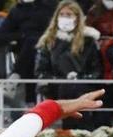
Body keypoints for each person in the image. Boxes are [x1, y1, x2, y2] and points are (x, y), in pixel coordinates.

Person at [36, 0, 102, 129]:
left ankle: (78, 132)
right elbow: (41, 71)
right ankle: (71, 131)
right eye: (62, 14)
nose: (65, 18)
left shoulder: (88, 41)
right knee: (67, 88)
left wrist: (80, 79)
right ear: (56, 18)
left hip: (83, 86)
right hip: (54, 87)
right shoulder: (48, 41)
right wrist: (60, 80)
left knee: (75, 88)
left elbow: (97, 70)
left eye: (69, 15)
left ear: (77, 18)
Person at [0, 0, 58, 104]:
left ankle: (15, 79)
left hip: (51, 47)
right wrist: (21, 36)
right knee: (31, 46)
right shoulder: (17, 11)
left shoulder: (51, 6)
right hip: (27, 52)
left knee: (33, 44)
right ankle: (33, 100)